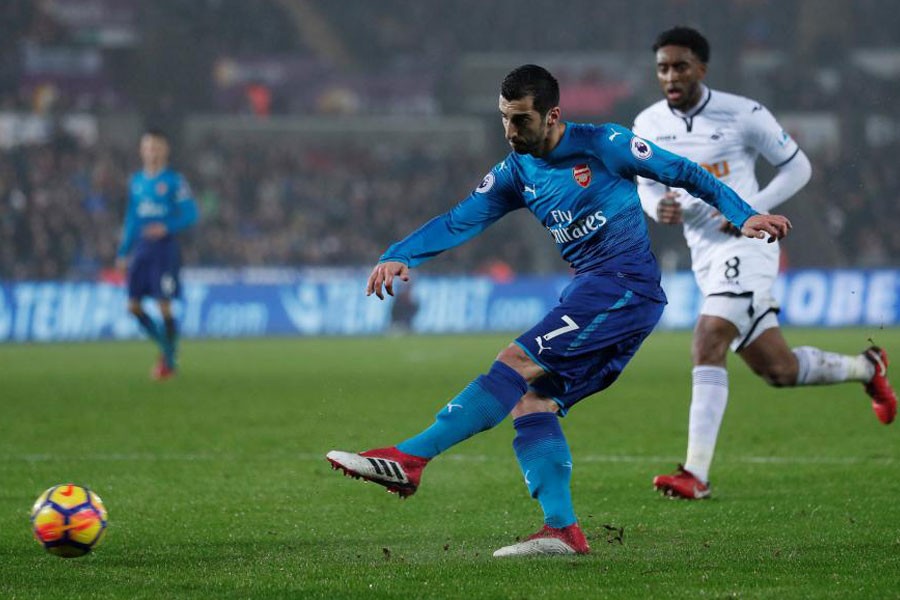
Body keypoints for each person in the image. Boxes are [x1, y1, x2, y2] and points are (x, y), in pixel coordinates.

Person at [326, 64, 791, 557]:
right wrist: (402, 252)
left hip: (622, 287)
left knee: (515, 362)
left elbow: (686, 173)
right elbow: (460, 219)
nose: (510, 131)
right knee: (532, 402)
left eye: (521, 119)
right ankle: (562, 531)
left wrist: (745, 215)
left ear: (552, 116)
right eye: (504, 118)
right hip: (596, 296)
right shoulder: (515, 171)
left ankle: (411, 459)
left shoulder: (605, 143)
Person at [633, 27, 897, 500]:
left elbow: (798, 167)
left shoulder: (742, 113)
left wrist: (750, 211)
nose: (670, 76)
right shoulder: (647, 124)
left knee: (708, 337)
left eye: (680, 66)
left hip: (748, 246)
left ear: (702, 68)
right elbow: (645, 183)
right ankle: (867, 368)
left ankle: (695, 473)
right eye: (662, 68)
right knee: (780, 369)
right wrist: (657, 208)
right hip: (704, 255)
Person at [115, 128, 199, 380]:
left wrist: (166, 227)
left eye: (156, 147)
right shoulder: (136, 182)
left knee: (164, 305)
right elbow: (131, 219)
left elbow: (191, 213)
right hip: (141, 250)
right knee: (133, 306)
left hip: (165, 250)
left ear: (165, 149)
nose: (151, 151)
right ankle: (168, 348)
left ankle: (169, 362)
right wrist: (122, 252)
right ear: (141, 150)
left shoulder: (174, 181)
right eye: (148, 146)